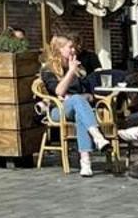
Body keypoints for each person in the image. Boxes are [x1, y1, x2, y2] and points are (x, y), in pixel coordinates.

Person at [40, 35, 108, 176]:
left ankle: (85, 162)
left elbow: (89, 93)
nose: (73, 50)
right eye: (70, 47)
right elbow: (58, 91)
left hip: (79, 108)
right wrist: (71, 72)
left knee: (80, 114)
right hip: (58, 110)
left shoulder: (79, 67)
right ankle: (97, 136)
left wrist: (85, 96)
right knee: (77, 100)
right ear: (59, 49)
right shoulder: (48, 70)